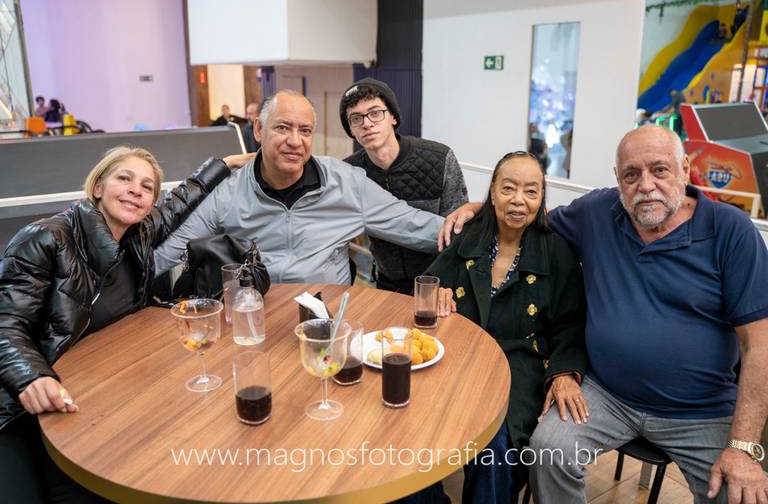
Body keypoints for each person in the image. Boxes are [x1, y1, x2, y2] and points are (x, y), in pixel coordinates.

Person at [440, 125, 768, 503]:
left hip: (700, 409)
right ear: (617, 179)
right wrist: (479, 209)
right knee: (549, 450)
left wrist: (743, 447)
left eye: (659, 170)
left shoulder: (730, 230)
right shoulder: (597, 212)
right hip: (606, 394)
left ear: (685, 169)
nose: (645, 185)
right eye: (631, 174)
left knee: (739, 493)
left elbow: (758, 345)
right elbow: (528, 214)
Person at [0, 146, 251, 502]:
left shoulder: (138, 234)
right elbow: (6, 324)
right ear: (98, 187)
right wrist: (32, 377)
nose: (136, 190)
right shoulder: (45, 238)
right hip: (22, 405)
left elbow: (179, 202)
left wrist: (223, 165)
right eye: (124, 178)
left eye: (147, 187)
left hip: (95, 395)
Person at [427, 151, 587, 503]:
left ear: (541, 198)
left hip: (519, 365)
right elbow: (430, 282)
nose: (518, 200)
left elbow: (571, 324)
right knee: (415, 428)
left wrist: (564, 373)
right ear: (493, 192)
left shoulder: (556, 251)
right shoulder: (469, 235)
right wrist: (435, 293)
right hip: (458, 359)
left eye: (531, 191)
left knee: (495, 444)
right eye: (508, 188)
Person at [155, 90, 443, 285]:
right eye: (282, 128)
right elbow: (167, 253)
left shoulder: (346, 183)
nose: (295, 141)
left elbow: (416, 226)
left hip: (327, 323)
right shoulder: (228, 192)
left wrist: (469, 223)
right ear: (259, 130)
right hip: (259, 320)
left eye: (305, 131)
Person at [339, 78, 467, 294]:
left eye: (375, 113)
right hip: (386, 282)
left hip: (439, 281)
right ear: (351, 129)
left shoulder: (439, 158)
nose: (367, 124)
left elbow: (457, 226)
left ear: (393, 117)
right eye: (356, 118)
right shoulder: (348, 172)